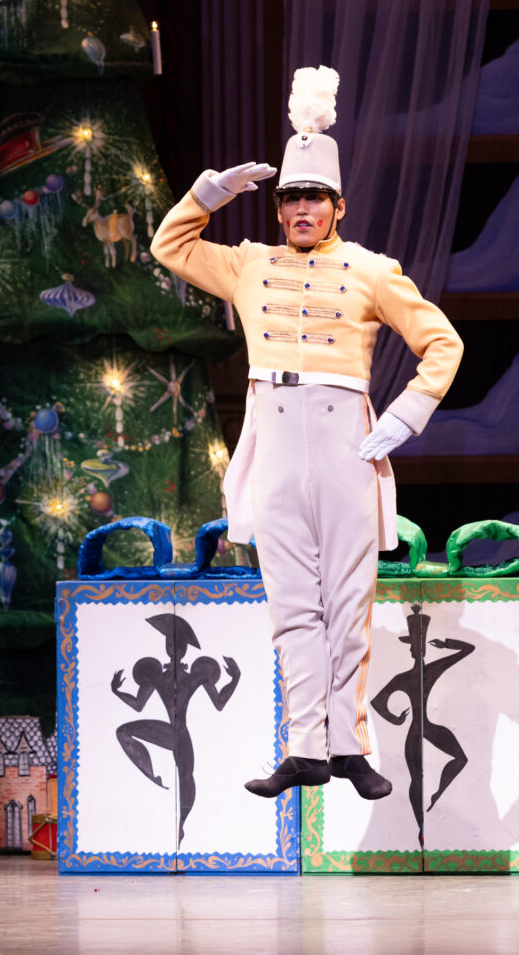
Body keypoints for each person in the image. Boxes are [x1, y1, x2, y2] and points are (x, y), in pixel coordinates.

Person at [150, 66, 463, 800]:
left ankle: (349, 749)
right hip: (274, 435)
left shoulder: (371, 270)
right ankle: (303, 749)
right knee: (291, 602)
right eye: (290, 197)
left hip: (345, 437)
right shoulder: (248, 265)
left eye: (312, 198)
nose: (299, 209)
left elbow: (441, 342)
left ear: (337, 206)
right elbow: (170, 245)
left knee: (347, 603)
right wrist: (213, 191)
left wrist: (405, 414)